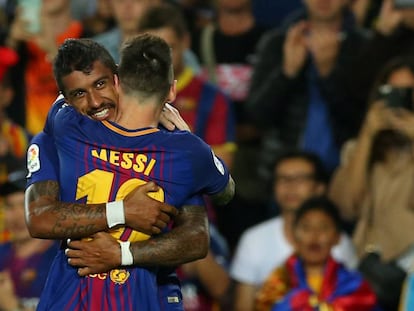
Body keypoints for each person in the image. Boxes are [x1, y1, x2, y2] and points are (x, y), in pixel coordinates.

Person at [27, 35, 235, 310]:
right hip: (77, 291)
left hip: (150, 293)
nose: (94, 101)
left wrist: (122, 254)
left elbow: (196, 239)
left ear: (118, 80)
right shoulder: (182, 152)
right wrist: (123, 211)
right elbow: (39, 219)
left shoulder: (65, 123)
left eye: (100, 84)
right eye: (79, 93)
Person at [329, 54, 414, 311]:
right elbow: (346, 207)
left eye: (409, 93)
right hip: (368, 266)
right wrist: (368, 134)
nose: (400, 101)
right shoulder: (359, 150)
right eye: (392, 92)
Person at [231, 150, 357, 311]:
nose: (290, 186)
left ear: (319, 188)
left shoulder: (338, 243)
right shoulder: (253, 239)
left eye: (300, 179)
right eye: (283, 179)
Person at [138, 3, 236, 168]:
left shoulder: (213, 98)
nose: (159, 60)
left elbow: (221, 167)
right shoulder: (125, 97)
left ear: (185, 42)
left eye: (167, 48)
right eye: (151, 51)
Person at [255, 197, 379, 311]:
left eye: (323, 228)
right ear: (294, 235)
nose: (314, 236)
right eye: (306, 228)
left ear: (337, 237)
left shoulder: (354, 286)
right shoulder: (279, 283)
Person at [6, 0, 84, 134]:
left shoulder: (89, 37)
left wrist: (52, 51)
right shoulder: (21, 41)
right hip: (24, 141)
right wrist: (11, 44)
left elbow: (84, 90)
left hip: (71, 138)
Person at [0, 168, 59, 311]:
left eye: (24, 205)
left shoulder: (62, 258)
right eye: (10, 206)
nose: (17, 215)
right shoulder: (2, 254)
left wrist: (12, 306)